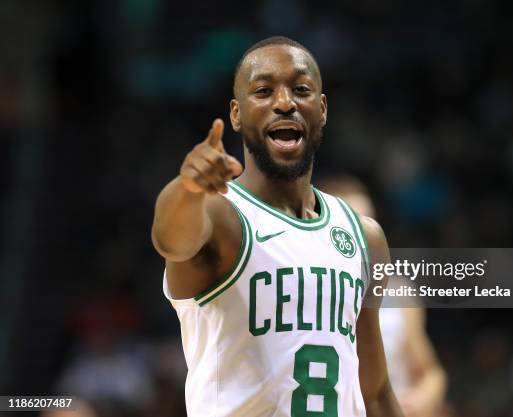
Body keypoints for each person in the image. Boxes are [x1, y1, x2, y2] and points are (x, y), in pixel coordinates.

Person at [151, 36, 402, 417]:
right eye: (264, 91)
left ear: (322, 109)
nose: (284, 103)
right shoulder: (222, 217)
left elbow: (376, 390)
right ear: (236, 114)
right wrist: (186, 188)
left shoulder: (365, 237)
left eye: (300, 90)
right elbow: (170, 239)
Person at [318, 177, 447, 417]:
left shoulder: (399, 292)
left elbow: (430, 373)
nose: (364, 235)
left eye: (369, 222)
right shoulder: (302, 291)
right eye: (352, 225)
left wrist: (421, 400)